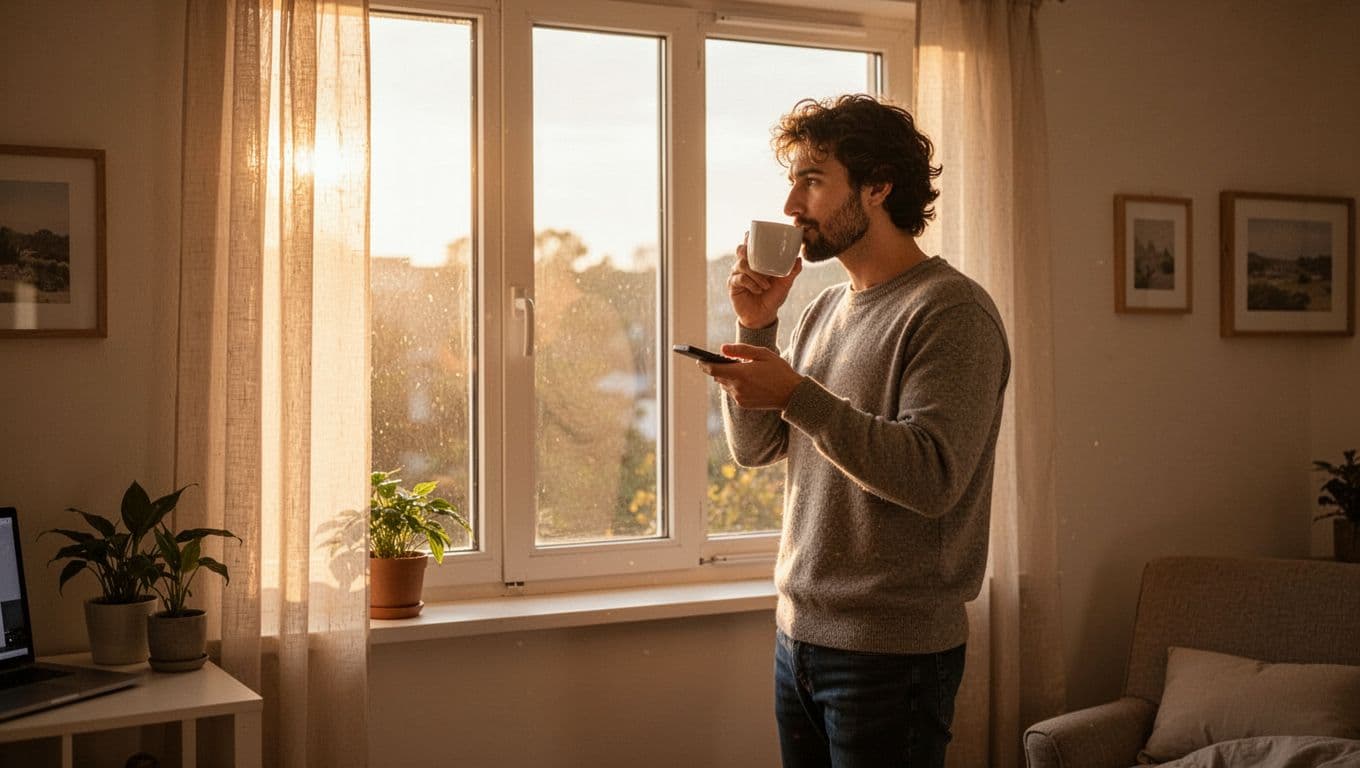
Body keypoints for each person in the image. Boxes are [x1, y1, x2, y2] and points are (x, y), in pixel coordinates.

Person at [697, 94, 1011, 767]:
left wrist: (799, 395)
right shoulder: (822, 312)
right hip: (799, 642)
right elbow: (754, 448)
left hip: (891, 655)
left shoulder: (951, 313)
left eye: (812, 180)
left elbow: (931, 478)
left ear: (877, 187)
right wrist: (756, 326)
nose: (790, 205)